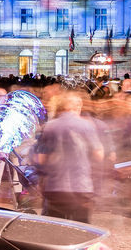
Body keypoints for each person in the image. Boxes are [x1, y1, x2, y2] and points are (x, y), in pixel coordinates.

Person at [36, 92, 104, 223]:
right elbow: (99, 155)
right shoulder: (86, 125)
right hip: (81, 187)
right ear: (78, 107)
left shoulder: (49, 126)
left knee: (55, 232)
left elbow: (41, 159)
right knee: (81, 231)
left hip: (55, 188)